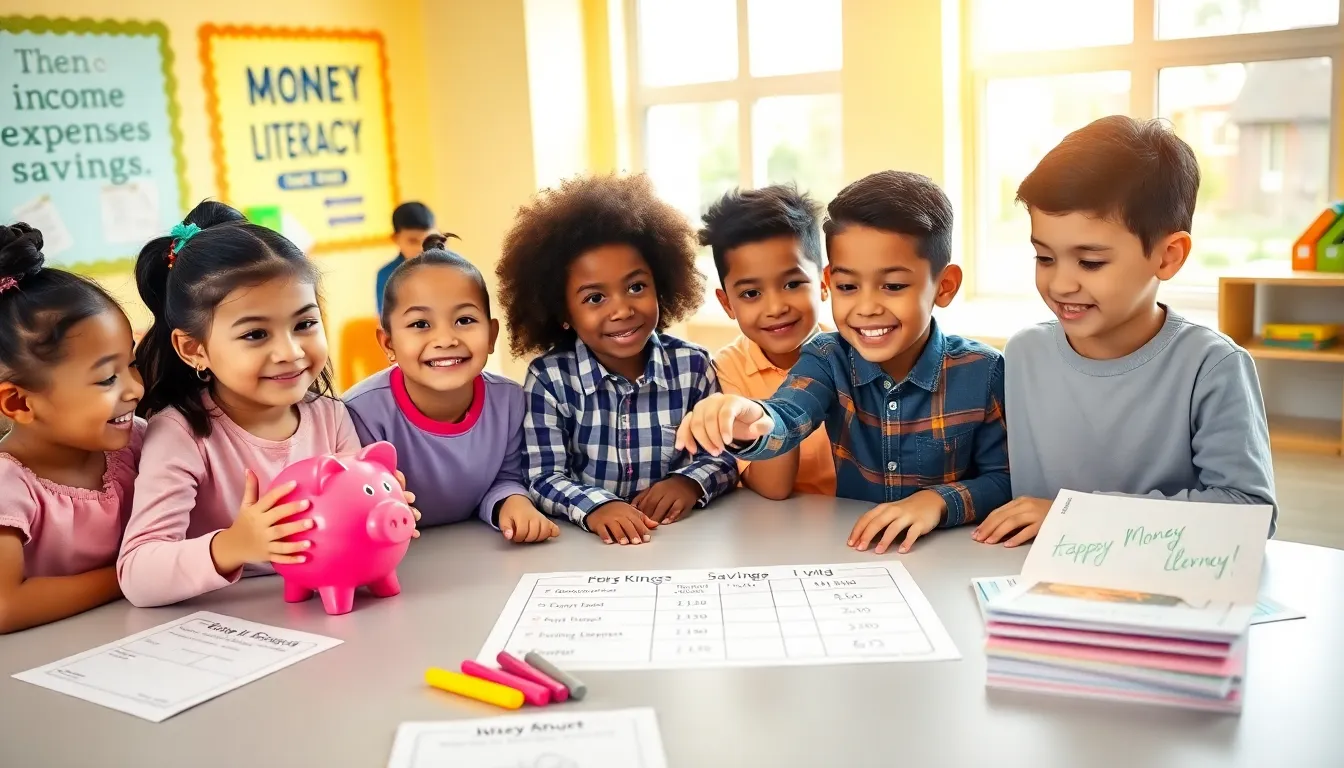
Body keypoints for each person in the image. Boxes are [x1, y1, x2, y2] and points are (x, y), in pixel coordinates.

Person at [973, 115, 1277, 547]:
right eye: (1044, 258)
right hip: (1025, 575)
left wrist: (1075, 516)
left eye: (1091, 262)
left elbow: (1250, 514)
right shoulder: (1025, 353)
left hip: (1161, 582)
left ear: (1168, 256)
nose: (1060, 284)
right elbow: (1000, 479)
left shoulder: (1212, 367)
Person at [676, 171, 1010, 555]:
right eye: (849, 287)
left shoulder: (984, 371)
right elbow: (788, 413)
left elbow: (1002, 479)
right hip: (856, 553)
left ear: (944, 286)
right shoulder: (825, 357)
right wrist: (753, 417)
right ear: (830, 282)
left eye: (894, 286)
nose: (866, 308)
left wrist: (935, 502)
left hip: (949, 556)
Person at [118, 201, 418, 608]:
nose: (290, 351)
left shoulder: (329, 416)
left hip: (328, 611)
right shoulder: (181, 433)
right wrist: (234, 545)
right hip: (231, 623)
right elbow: (138, 574)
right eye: (256, 334)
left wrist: (382, 507)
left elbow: (356, 527)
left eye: (305, 324)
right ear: (194, 349)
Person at [496, 174, 738, 545]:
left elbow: (723, 457)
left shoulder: (694, 367)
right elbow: (543, 475)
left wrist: (688, 482)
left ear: (662, 283)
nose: (622, 310)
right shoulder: (549, 379)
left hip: (682, 541)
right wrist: (597, 506)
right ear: (562, 312)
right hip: (584, 550)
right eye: (595, 298)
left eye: (636, 287)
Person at [345, 233, 559, 543]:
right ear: (388, 343)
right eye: (420, 324)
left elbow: (506, 477)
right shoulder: (360, 412)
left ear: (490, 336)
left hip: (476, 554)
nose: (445, 340)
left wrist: (513, 501)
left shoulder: (511, 401)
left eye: (464, 320)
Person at [0, 224, 144, 632]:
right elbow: (5, 607)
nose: (135, 388)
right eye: (106, 379)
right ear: (20, 402)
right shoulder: (9, 487)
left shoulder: (137, 444)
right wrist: (137, 573)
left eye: (130, 363)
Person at [699, 184, 836, 499]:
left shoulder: (855, 355)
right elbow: (773, 488)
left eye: (792, 283)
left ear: (824, 283)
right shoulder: (724, 370)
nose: (775, 308)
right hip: (776, 529)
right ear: (727, 304)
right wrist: (776, 414)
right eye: (751, 293)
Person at [376, 202, 441, 315]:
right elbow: (387, 321)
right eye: (413, 241)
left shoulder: (455, 268)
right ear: (395, 239)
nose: (422, 248)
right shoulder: (387, 275)